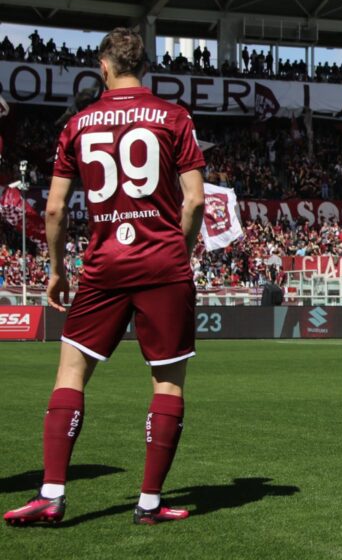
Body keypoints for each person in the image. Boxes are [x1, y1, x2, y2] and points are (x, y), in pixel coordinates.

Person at [3, 28, 206, 527]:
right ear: (145, 66)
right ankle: (150, 503)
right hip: (162, 262)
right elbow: (196, 200)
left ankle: (51, 493)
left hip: (104, 263)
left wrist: (55, 270)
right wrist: (175, 253)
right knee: (167, 383)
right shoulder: (175, 117)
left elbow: (53, 210)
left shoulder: (78, 124)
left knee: (71, 372)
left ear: (104, 67)